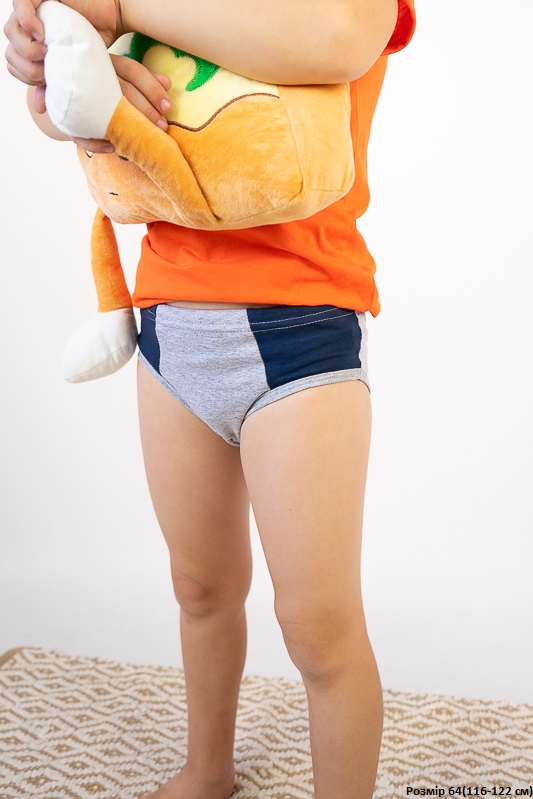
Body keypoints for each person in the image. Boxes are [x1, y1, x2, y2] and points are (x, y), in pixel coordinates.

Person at [4, 1, 416, 798]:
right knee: (199, 586)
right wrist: (50, 60)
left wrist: (119, 5)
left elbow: (336, 43)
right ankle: (207, 768)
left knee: (317, 626)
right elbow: (75, 114)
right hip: (170, 320)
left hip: (301, 324)